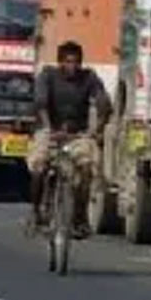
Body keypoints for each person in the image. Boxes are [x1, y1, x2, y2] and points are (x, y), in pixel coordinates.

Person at [28, 40, 112, 239]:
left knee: (87, 167)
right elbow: (41, 103)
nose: (72, 66)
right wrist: (49, 128)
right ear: (60, 62)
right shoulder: (48, 76)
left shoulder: (89, 78)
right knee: (39, 165)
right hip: (49, 130)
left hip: (77, 134)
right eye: (67, 62)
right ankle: (36, 211)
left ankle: (80, 216)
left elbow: (103, 103)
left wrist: (97, 129)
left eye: (76, 62)